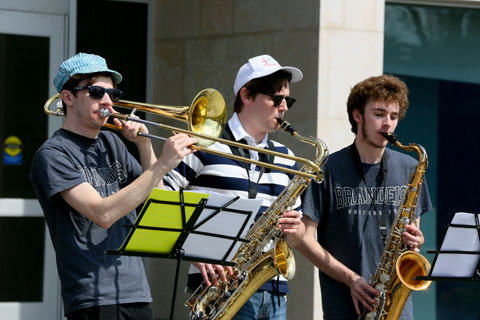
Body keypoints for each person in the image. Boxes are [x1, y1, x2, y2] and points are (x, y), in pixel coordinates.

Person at [30, 53, 197, 320]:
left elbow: (160, 201)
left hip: (137, 291)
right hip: (93, 297)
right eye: (97, 92)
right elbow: (102, 214)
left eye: (113, 94)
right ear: (68, 98)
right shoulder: (54, 154)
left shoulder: (113, 143)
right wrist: (162, 165)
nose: (108, 102)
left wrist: (144, 145)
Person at [163, 54, 305, 319]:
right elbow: (160, 204)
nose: (284, 107)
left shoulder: (287, 157)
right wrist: (193, 251)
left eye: (288, 100)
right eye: (276, 99)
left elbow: (295, 239)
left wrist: (296, 229)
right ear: (247, 95)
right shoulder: (204, 144)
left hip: (273, 294)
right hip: (217, 290)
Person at [296, 75, 433, 319]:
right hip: (344, 305)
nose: (388, 124)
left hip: (395, 305)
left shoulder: (411, 168)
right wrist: (350, 279)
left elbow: (412, 237)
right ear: (357, 115)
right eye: (379, 114)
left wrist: (416, 241)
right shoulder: (327, 169)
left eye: (393, 116)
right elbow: (304, 238)